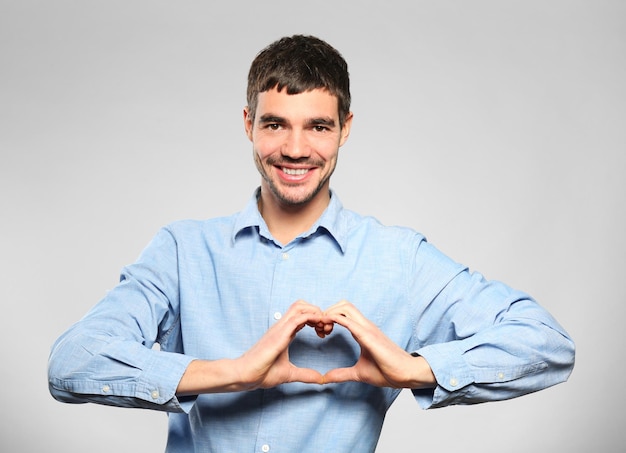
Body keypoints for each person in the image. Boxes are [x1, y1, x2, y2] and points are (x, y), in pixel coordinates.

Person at [48, 35, 575, 452]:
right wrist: (233, 375)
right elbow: (72, 363)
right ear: (249, 124)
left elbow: (548, 345)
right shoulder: (183, 251)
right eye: (275, 124)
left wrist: (414, 369)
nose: (295, 149)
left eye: (318, 126)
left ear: (345, 129)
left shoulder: (399, 259)